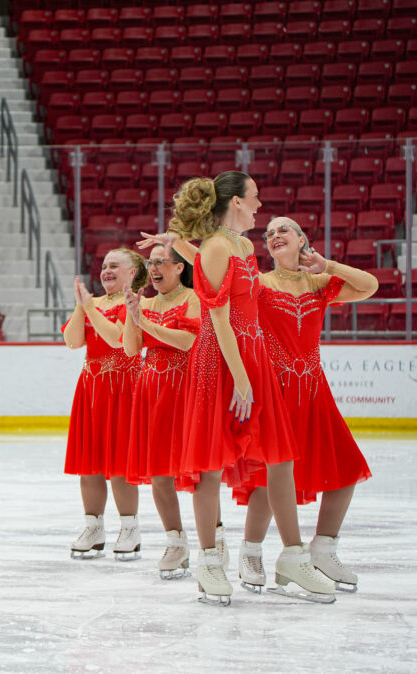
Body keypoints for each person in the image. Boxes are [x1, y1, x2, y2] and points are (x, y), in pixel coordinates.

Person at [160, 172, 335, 605]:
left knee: (279, 455)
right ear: (236, 201)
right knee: (210, 462)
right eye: (254, 197)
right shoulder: (218, 246)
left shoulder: (240, 245)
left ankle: (293, 557)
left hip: (251, 355)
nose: (259, 204)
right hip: (221, 360)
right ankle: (208, 562)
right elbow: (218, 315)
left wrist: (177, 242)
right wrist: (240, 377)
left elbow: (212, 271)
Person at [233, 217, 376, 593]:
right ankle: (250, 551)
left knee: (347, 469)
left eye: (283, 230)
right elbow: (215, 277)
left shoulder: (319, 283)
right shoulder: (260, 284)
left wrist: (326, 265)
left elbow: (369, 285)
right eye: (269, 233)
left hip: (314, 392)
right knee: (268, 477)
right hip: (275, 392)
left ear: (301, 240)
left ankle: (323, 549)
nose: (274, 235)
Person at [62, 248, 148, 561]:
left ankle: (129, 529)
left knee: (121, 465)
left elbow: (117, 340)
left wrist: (90, 308)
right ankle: (93, 528)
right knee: (90, 464)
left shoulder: (135, 304)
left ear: (132, 273)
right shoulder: (92, 304)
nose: (106, 270)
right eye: (104, 265)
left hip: (124, 389)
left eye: (114, 265)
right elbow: (73, 342)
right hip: (92, 389)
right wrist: (81, 306)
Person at [122, 245, 201, 579]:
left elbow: (187, 342)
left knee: (200, 471)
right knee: (159, 472)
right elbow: (131, 348)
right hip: (152, 391)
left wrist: (144, 323)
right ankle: (176, 541)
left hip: (187, 391)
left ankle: (215, 538)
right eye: (150, 262)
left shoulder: (193, 298)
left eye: (160, 262)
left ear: (179, 267)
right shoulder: (145, 304)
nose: (153, 268)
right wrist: (133, 316)